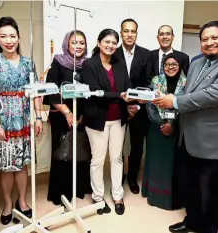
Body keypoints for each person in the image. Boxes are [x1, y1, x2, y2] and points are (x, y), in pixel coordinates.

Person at [153, 21, 218, 233]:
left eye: (215, 38)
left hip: (214, 143)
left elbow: (212, 96)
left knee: (211, 195)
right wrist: (165, 98)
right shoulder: (197, 63)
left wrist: (174, 102)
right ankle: (191, 221)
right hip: (188, 138)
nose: (209, 43)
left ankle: (207, 228)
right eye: (204, 39)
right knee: (191, 188)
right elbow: (188, 92)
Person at [0, 16, 43, 225]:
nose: (8, 40)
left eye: (12, 36)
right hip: (3, 120)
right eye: (3, 36)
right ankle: (8, 203)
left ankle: (22, 202)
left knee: (22, 164)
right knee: (6, 166)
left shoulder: (28, 62)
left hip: (24, 119)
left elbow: (35, 92)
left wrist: (38, 117)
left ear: (18, 38)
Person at [80, 29, 131, 215]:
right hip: (97, 119)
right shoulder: (89, 64)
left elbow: (127, 86)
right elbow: (95, 92)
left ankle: (117, 194)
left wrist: (133, 97)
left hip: (119, 119)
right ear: (99, 42)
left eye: (113, 42)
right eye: (107, 41)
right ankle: (98, 196)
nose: (110, 45)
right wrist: (120, 95)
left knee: (117, 158)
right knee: (98, 159)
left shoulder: (119, 63)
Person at [45, 30, 92, 206]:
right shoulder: (58, 62)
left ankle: (78, 189)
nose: (78, 46)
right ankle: (61, 192)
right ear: (67, 44)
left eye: (81, 43)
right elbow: (51, 92)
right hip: (61, 115)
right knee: (62, 153)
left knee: (80, 151)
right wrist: (68, 113)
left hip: (82, 116)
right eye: (74, 42)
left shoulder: (87, 65)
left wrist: (80, 115)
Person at [142, 53, 186, 210]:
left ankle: (171, 199)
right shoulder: (156, 81)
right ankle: (154, 196)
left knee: (172, 166)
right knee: (156, 163)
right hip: (157, 129)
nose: (170, 67)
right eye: (167, 64)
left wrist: (172, 125)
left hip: (177, 130)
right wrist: (162, 123)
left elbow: (187, 107)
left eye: (174, 64)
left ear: (180, 66)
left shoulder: (187, 83)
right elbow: (150, 106)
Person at [115, 18, 152, 194]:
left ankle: (132, 177)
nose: (129, 34)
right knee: (117, 145)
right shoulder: (112, 53)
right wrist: (124, 103)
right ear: (121, 32)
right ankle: (119, 175)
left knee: (137, 146)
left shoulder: (146, 54)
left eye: (133, 31)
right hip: (117, 107)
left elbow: (149, 82)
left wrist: (137, 105)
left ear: (137, 33)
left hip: (139, 110)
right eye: (126, 31)